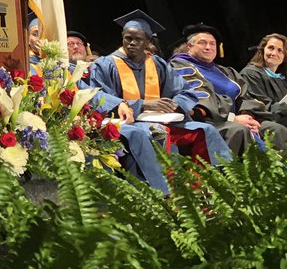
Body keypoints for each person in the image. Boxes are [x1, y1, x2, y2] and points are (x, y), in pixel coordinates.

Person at [90, 10, 231, 194]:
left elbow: (185, 90)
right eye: (127, 38)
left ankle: (208, 188)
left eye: (138, 39)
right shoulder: (105, 64)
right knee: (157, 132)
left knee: (206, 130)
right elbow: (96, 95)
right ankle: (166, 194)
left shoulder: (157, 63)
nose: (131, 43)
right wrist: (140, 104)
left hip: (161, 118)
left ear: (148, 41)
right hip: (127, 122)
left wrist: (174, 104)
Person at [171, 24, 287, 154]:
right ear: (189, 46)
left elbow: (245, 96)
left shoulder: (225, 71)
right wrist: (233, 118)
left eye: (212, 44)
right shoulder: (181, 66)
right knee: (238, 131)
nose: (209, 47)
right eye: (203, 43)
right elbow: (202, 100)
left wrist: (247, 114)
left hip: (239, 119)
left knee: (276, 129)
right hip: (210, 122)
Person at [238, 34, 287, 127]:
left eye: (280, 50)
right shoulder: (250, 74)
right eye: (271, 48)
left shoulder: (283, 78)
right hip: (266, 121)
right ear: (262, 50)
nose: (274, 53)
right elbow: (261, 106)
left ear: (284, 56)